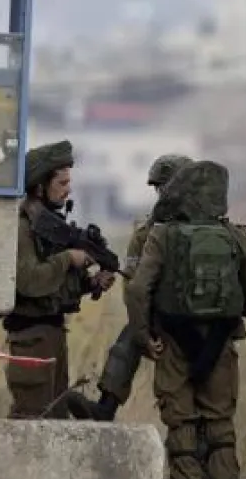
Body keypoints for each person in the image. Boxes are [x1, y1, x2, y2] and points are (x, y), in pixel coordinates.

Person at [124, 160, 246, 479]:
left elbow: (138, 290)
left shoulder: (162, 235)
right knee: (220, 424)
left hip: (173, 342)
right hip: (221, 344)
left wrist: (142, 335)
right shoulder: (236, 235)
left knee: (182, 423)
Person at [65, 153, 194, 421]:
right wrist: (144, 330)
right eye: (160, 189)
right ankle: (105, 407)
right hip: (162, 316)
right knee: (127, 343)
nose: (163, 195)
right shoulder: (147, 231)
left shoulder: (206, 230)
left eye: (168, 187)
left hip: (200, 319)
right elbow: (133, 284)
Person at [5, 140, 116, 418]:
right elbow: (29, 281)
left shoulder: (48, 225)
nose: (68, 189)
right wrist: (69, 259)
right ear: (41, 185)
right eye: (62, 183)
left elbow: (53, 288)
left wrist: (90, 283)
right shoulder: (23, 227)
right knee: (33, 420)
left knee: (55, 419)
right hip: (31, 337)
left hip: (51, 333)